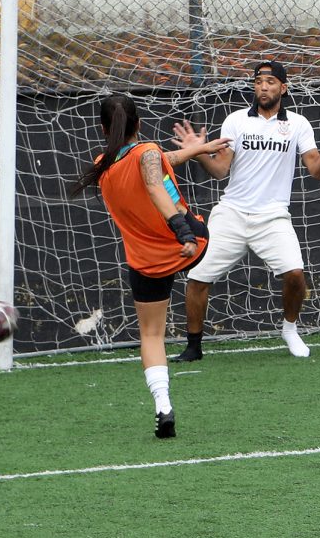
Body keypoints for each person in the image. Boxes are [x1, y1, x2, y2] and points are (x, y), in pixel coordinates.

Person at [171, 60, 320, 362]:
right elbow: (220, 170)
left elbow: (317, 171)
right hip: (231, 213)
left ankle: (289, 328)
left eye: (270, 81)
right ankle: (194, 346)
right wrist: (196, 151)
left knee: (296, 275)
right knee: (197, 278)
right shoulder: (236, 120)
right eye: (258, 81)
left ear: (283, 88)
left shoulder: (298, 124)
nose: (263, 86)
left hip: (272, 217)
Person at [80, 92, 224, 438]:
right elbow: (156, 184)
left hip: (146, 262)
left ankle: (162, 404)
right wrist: (184, 231)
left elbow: (164, 159)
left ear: (103, 129)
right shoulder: (148, 153)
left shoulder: (105, 167)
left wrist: (199, 149)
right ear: (140, 124)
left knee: (151, 334)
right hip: (191, 242)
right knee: (221, 223)